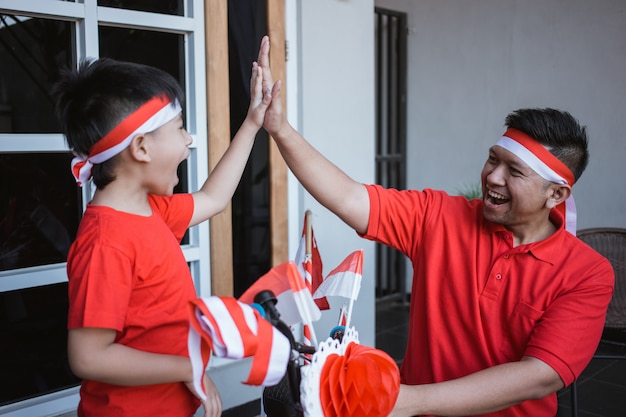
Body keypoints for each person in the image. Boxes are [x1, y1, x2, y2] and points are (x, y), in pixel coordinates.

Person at [258, 48, 614, 416]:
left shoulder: (587, 273)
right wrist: (280, 129)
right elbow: (349, 197)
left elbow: (540, 374)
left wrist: (411, 401)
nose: (493, 176)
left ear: (556, 194)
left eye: (515, 171)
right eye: (494, 159)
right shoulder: (439, 215)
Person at [53, 36, 273, 417]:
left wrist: (253, 123)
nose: (189, 140)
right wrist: (189, 369)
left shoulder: (150, 209)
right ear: (141, 148)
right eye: (180, 128)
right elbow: (89, 357)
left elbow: (214, 199)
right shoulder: (106, 242)